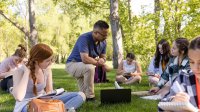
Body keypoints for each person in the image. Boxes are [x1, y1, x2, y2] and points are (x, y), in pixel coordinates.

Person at [11, 43, 85, 112]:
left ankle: (59, 109)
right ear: (37, 61)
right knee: (35, 108)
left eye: (51, 60)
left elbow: (49, 92)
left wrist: (54, 96)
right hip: (27, 104)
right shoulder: (20, 71)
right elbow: (19, 97)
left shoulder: (47, 69)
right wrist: (26, 72)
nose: (50, 63)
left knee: (80, 95)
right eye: (47, 61)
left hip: (44, 100)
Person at [65, 20, 109, 101]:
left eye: (107, 35)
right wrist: (99, 63)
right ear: (96, 33)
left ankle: (83, 97)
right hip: (72, 64)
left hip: (83, 66)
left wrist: (103, 60)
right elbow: (85, 59)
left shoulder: (103, 42)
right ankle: (90, 97)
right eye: (103, 35)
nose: (106, 37)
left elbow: (103, 56)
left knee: (82, 95)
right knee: (90, 68)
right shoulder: (84, 38)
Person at [158, 36, 200, 111]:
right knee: (162, 93)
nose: (195, 68)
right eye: (192, 62)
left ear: (182, 51)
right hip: (174, 85)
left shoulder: (185, 65)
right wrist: (173, 100)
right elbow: (161, 107)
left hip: (172, 85)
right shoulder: (185, 77)